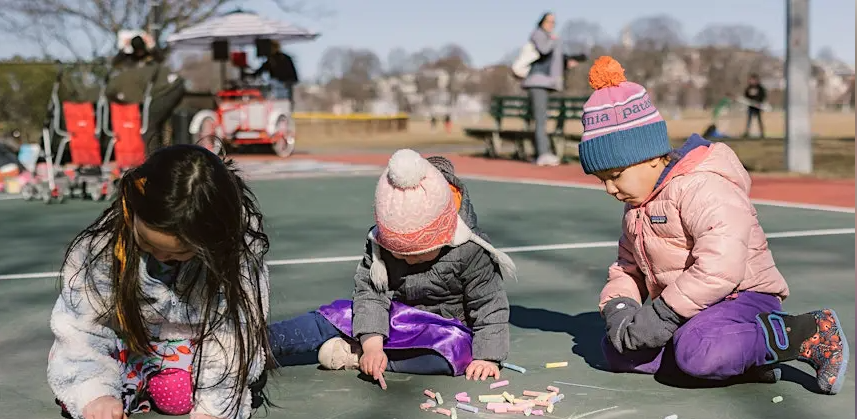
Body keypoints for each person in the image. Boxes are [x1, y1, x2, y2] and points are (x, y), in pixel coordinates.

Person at [577, 56, 848, 395]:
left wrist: (663, 313)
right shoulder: (637, 207)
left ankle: (804, 332)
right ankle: (744, 362)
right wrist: (620, 308)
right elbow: (626, 268)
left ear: (650, 156)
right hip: (690, 306)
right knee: (618, 352)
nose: (609, 188)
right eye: (601, 180)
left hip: (741, 296)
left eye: (615, 176)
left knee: (699, 352)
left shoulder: (701, 186)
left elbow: (721, 267)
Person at [47, 144, 272, 419]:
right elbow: (79, 328)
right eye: (149, 245)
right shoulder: (102, 248)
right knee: (88, 389)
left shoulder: (234, 251)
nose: (164, 256)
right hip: (136, 342)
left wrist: (214, 410)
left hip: (198, 339)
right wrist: (95, 392)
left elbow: (232, 333)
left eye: (181, 253)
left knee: (181, 390)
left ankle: (321, 325)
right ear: (132, 209)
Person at [267, 149, 516, 387]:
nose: (407, 260)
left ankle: (355, 355)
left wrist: (488, 356)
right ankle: (258, 342)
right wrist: (373, 345)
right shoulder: (380, 245)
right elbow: (371, 295)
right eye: (399, 253)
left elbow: (489, 305)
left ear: (443, 236)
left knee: (458, 353)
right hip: (390, 319)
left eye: (416, 254)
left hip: (439, 331)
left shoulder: (470, 249)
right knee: (333, 316)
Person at [743, 73, 766, 138]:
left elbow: (763, 96)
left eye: (753, 80)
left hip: (758, 107)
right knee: (749, 120)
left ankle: (762, 134)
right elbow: (746, 96)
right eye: (751, 80)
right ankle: (747, 133)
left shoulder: (760, 88)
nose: (752, 81)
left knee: (759, 120)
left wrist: (758, 102)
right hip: (751, 107)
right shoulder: (748, 88)